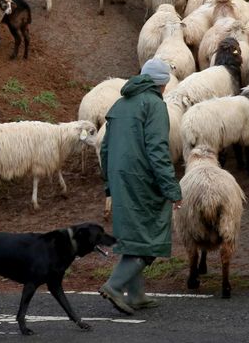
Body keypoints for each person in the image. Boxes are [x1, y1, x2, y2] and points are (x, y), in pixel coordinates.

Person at [98, 58, 183, 314]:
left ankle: (135, 295)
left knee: (135, 236)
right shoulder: (154, 105)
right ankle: (114, 286)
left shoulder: (120, 104)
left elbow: (105, 148)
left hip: (120, 177)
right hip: (142, 179)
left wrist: (109, 183)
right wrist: (171, 189)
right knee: (150, 236)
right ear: (162, 83)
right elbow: (158, 150)